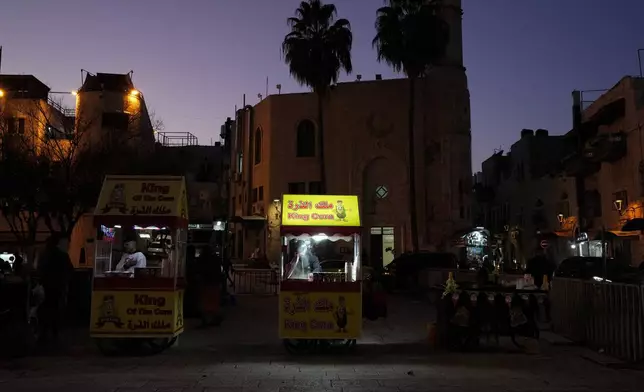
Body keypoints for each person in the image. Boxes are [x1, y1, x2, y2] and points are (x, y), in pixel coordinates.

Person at [37, 233, 74, 345]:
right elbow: (70, 270)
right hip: (58, 286)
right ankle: (54, 332)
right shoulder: (62, 255)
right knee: (55, 309)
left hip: (46, 286)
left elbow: (40, 270)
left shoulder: (44, 255)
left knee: (45, 309)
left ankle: (45, 332)